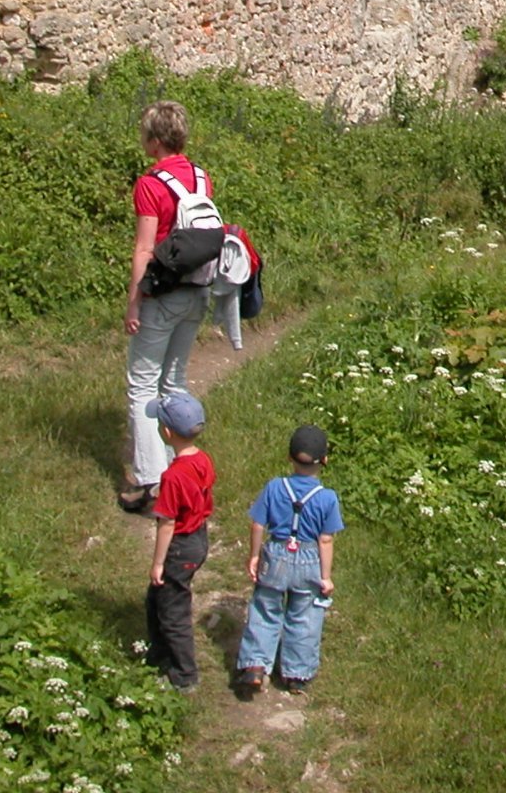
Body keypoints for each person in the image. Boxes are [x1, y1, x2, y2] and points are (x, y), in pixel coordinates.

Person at [121, 100, 215, 514]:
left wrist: (133, 301)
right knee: (173, 383)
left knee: (142, 385)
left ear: (155, 141)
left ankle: (151, 482)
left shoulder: (150, 184)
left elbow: (145, 248)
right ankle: (182, 471)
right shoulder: (200, 177)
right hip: (198, 288)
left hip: (162, 293)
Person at [235, 423, 345, 697]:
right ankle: (297, 674)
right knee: (305, 616)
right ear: (325, 461)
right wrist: (326, 575)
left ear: (289, 458)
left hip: (276, 554)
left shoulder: (274, 487)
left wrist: (254, 555)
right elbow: (326, 539)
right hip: (309, 558)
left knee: (265, 608)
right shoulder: (327, 498)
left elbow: (258, 524)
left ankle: (256, 666)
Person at [145, 392, 214, 692]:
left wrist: (158, 563)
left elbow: (167, 523)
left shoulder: (173, 477)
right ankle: (158, 653)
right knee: (156, 599)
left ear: (167, 433)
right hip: (198, 537)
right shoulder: (202, 460)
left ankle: (185, 675)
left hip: (180, 545)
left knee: (173, 611)